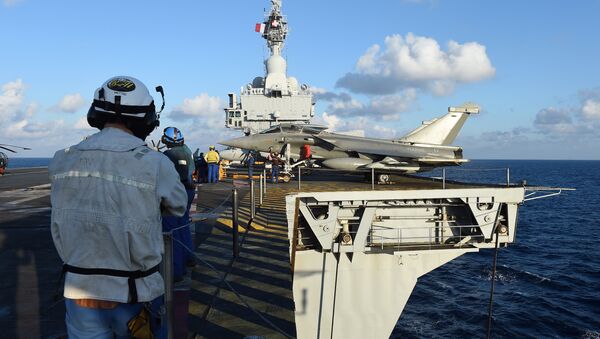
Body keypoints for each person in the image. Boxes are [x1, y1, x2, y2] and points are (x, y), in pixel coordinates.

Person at [49, 76, 188, 338]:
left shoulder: (61, 159)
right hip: (135, 293)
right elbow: (178, 206)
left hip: (79, 291)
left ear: (95, 113)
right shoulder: (155, 163)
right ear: (147, 119)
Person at [161, 127, 196, 280]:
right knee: (183, 225)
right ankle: (189, 258)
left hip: (174, 192)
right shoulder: (187, 151)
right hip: (187, 191)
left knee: (171, 231)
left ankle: (175, 270)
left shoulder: (167, 155)